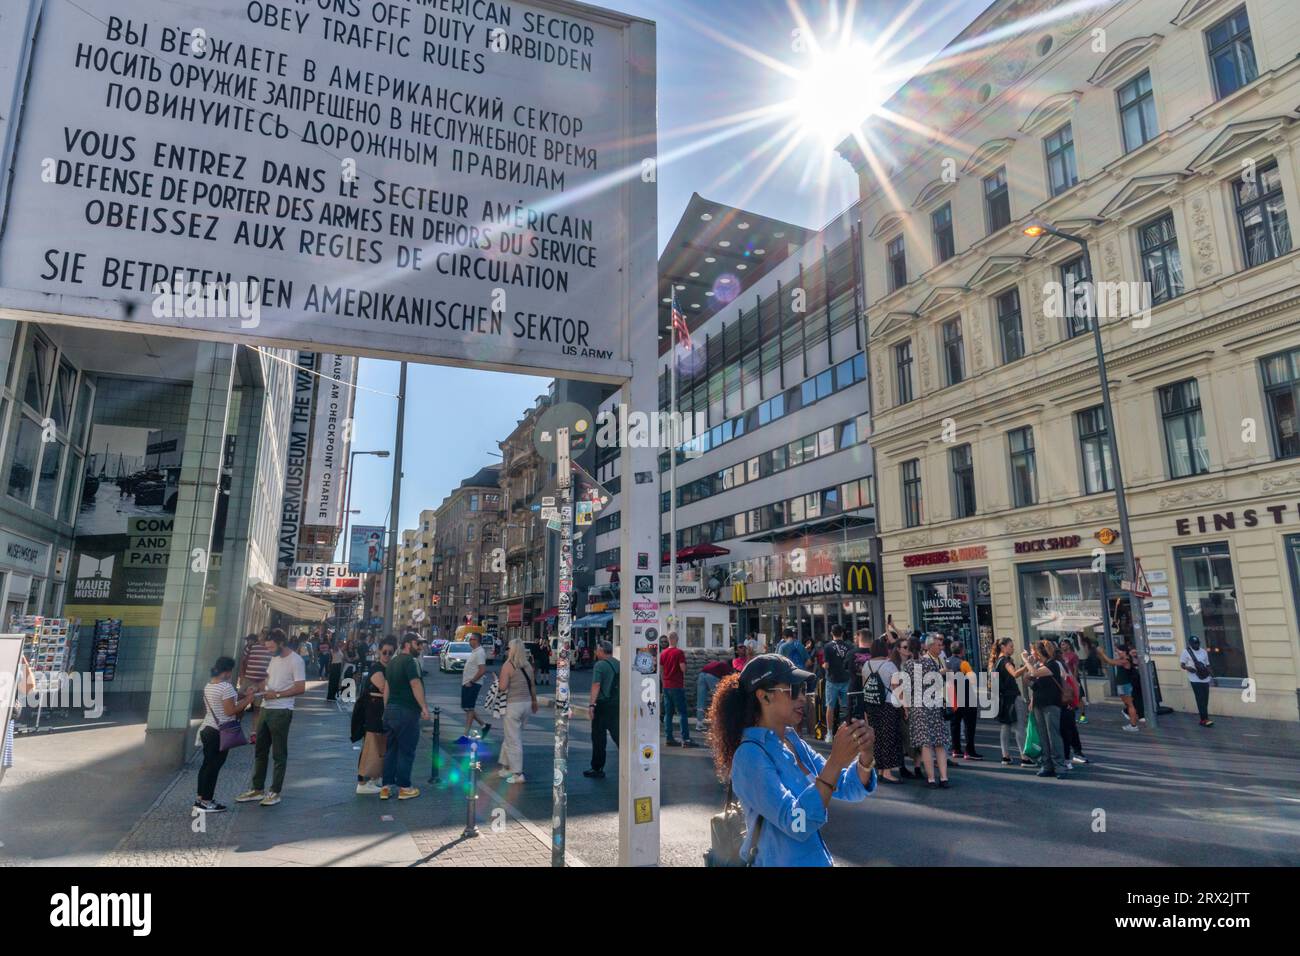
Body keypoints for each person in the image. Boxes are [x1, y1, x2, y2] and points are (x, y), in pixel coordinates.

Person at [710, 654, 876, 866]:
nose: (802, 698)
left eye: (803, 689)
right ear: (765, 697)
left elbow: (845, 785)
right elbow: (797, 823)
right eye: (793, 690)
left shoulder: (790, 739)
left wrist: (865, 756)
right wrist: (836, 761)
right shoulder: (749, 756)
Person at [236, 629, 306, 806]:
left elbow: (300, 687)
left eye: (271, 647)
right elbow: (268, 678)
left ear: (281, 643)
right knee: (260, 750)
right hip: (267, 707)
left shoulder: (296, 660)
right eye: (267, 647)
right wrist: (257, 688)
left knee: (278, 753)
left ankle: (275, 791)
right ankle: (257, 789)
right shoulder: (273, 657)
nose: (269, 651)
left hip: (282, 710)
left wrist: (277, 695)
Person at [195, 656, 255, 813]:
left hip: (207, 728)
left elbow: (223, 705)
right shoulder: (226, 687)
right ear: (227, 671)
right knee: (214, 766)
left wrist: (242, 697)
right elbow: (230, 711)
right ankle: (207, 802)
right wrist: (248, 700)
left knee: (206, 765)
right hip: (220, 731)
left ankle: (200, 798)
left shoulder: (209, 685)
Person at [380, 632, 430, 800]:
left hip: (391, 711)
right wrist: (423, 707)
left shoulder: (392, 662)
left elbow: (387, 688)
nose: (421, 647)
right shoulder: (411, 661)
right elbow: (415, 684)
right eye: (418, 644)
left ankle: (386, 787)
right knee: (406, 750)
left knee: (390, 750)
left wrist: (386, 709)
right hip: (406, 710)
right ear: (408, 644)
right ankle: (404, 787)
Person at [905, 634, 951, 788]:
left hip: (918, 707)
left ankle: (931, 779)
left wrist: (906, 708)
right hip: (934, 704)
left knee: (926, 744)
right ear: (922, 647)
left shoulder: (908, 665)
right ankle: (944, 778)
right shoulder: (930, 663)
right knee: (939, 743)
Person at [1023, 640, 1070, 778]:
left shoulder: (1052, 665)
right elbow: (1031, 682)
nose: (1031, 653)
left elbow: (1035, 672)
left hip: (1051, 704)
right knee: (1043, 736)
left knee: (1053, 735)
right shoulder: (1039, 665)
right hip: (1039, 704)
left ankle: (1060, 766)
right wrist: (1031, 697)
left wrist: (1026, 661)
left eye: (1032, 651)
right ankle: (1047, 765)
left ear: (1038, 653)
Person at [353, 637, 393, 795]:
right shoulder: (377, 669)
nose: (387, 655)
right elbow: (385, 688)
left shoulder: (386, 668)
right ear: (379, 651)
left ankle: (373, 778)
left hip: (379, 711)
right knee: (370, 746)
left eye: (390, 652)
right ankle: (362, 782)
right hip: (373, 712)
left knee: (379, 745)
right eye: (384, 652)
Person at [861, 638, 902, 783]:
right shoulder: (890, 666)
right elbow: (897, 687)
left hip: (871, 703)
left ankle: (878, 769)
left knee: (876, 737)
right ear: (885, 650)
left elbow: (864, 686)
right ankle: (887, 772)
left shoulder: (866, 665)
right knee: (889, 737)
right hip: (888, 704)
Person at [498, 639, 538, 783]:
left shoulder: (508, 666)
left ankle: (517, 773)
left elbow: (502, 687)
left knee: (513, 739)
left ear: (512, 650)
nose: (507, 650)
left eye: (508, 648)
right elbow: (532, 685)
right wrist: (534, 702)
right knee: (512, 735)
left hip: (513, 705)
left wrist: (496, 682)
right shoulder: (528, 666)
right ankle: (506, 766)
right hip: (526, 704)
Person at [991, 638, 1033, 767]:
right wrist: (1027, 664)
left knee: (1006, 727)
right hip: (1012, 697)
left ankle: (1006, 756)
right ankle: (1024, 757)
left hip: (1003, 698)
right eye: (1010, 646)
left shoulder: (996, 662)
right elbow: (1014, 674)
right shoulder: (1005, 661)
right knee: (1020, 726)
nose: (1013, 648)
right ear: (1003, 647)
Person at [583, 641, 620, 779]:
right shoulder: (618, 663)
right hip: (616, 704)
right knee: (618, 735)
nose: (595, 652)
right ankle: (631, 761)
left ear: (602, 651)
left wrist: (591, 705)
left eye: (597, 650)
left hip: (603, 704)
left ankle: (597, 768)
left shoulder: (600, 665)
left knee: (598, 738)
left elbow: (596, 685)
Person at [1, 652, 35, 788]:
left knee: (2, 766)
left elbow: (28, 688)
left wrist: (24, 663)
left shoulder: (12, 656)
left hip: (5, 721)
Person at [944, 643, 982, 761]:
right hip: (966, 695)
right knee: (969, 724)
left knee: (955, 723)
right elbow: (972, 679)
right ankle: (969, 751)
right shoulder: (963, 663)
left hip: (952, 695)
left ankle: (956, 749)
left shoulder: (946, 661)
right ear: (962, 651)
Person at [1094, 640, 1141, 732]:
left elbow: (1111, 662)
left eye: (1118, 651)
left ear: (1124, 651)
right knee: (1128, 705)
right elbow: (1109, 661)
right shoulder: (1122, 659)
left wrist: (1102, 653)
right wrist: (1101, 655)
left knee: (1130, 705)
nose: (1117, 652)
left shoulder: (1126, 660)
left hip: (1125, 685)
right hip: (1122, 685)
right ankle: (1133, 720)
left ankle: (1134, 725)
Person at [660, 631, 695, 748]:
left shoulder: (663, 653)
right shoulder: (679, 653)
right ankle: (685, 739)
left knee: (668, 714)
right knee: (682, 713)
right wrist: (685, 667)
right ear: (676, 639)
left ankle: (669, 738)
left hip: (666, 686)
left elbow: (661, 670)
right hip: (677, 686)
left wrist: (664, 682)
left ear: (669, 640)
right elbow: (683, 668)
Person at [1057, 638, 1087, 766]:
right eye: (1061, 644)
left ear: (1069, 645)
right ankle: (1076, 752)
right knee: (1069, 726)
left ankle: (1082, 715)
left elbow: (1074, 670)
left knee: (1078, 702)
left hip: (1069, 685)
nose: (1062, 646)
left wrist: (1075, 682)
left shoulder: (1072, 656)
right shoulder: (1060, 659)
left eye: (1064, 644)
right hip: (1065, 691)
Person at [820, 624, 854, 737]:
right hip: (846, 678)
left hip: (832, 679)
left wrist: (823, 666)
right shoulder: (849, 646)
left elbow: (826, 665)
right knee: (845, 707)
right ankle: (845, 732)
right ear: (842, 633)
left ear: (831, 633)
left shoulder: (827, 646)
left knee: (830, 706)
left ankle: (829, 733)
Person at [460, 632, 492, 739]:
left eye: (472, 639)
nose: (470, 641)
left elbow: (482, 670)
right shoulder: (474, 652)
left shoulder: (480, 653)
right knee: (467, 708)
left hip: (473, 684)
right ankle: (484, 725)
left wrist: (472, 681)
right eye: (470, 639)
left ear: (477, 640)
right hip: (467, 683)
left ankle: (465, 735)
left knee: (469, 708)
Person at [1180, 635, 1214, 727]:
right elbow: (1182, 665)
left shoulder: (1203, 651)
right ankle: (1204, 719)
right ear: (1190, 644)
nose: (1196, 645)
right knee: (1200, 699)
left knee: (1205, 699)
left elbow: (1207, 665)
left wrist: (1212, 676)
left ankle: (1205, 717)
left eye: (1197, 643)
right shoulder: (1186, 652)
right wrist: (1188, 668)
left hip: (1205, 677)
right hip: (1194, 678)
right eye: (1194, 643)